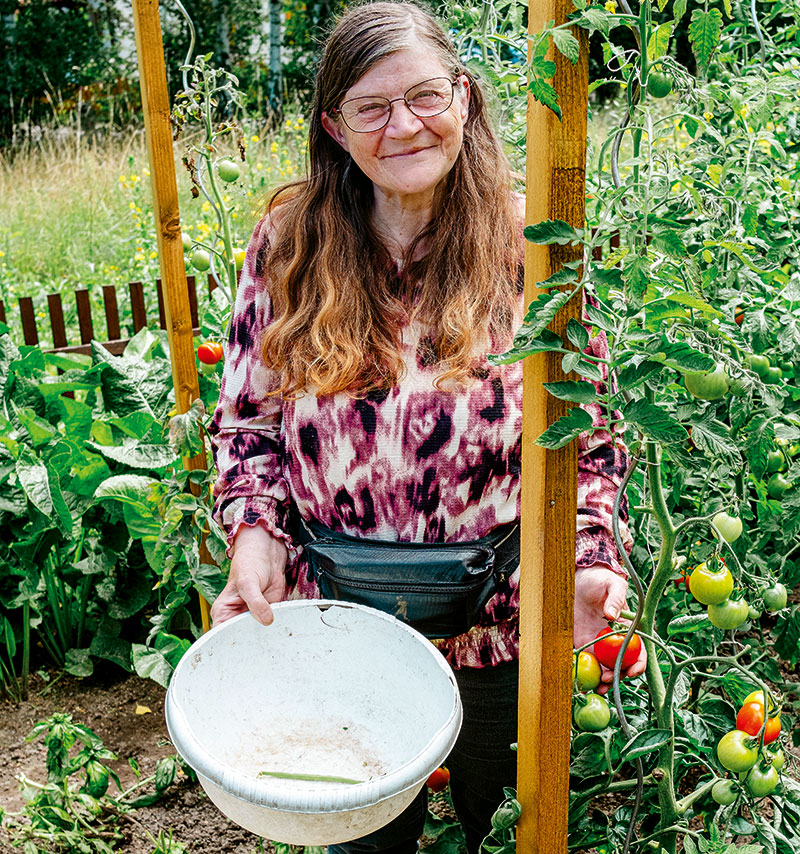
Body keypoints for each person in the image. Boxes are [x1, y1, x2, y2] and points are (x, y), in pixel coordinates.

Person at [208, 2, 646, 851]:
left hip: (500, 617)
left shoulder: (534, 245)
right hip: (339, 619)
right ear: (335, 127)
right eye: (371, 107)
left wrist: (589, 559)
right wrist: (253, 534)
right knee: (363, 832)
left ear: (467, 99)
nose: (402, 126)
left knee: (508, 820)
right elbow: (248, 423)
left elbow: (589, 435)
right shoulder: (290, 242)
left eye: (424, 96)